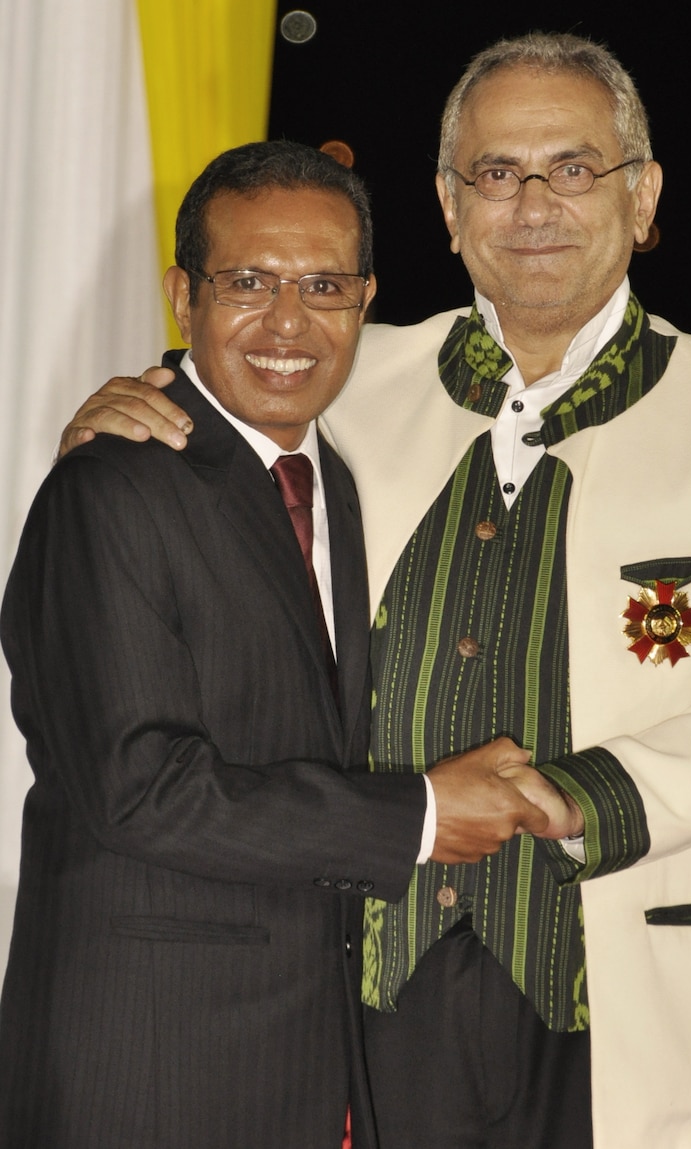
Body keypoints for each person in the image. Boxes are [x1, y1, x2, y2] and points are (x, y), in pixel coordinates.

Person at [55, 32, 691, 1149]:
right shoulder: (347, 374)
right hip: (361, 981)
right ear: (446, 203)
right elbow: (206, 432)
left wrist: (562, 802)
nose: (533, 204)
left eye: (573, 168)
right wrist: (120, 415)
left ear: (642, 194)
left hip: (619, 972)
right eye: (495, 172)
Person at [0, 139, 575, 1149]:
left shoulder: (337, 484)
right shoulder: (111, 488)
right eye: (248, 283)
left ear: (365, 300)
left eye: (323, 286)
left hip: (312, 1062)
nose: (287, 324)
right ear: (184, 293)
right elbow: (139, 789)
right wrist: (423, 812)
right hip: (147, 1069)